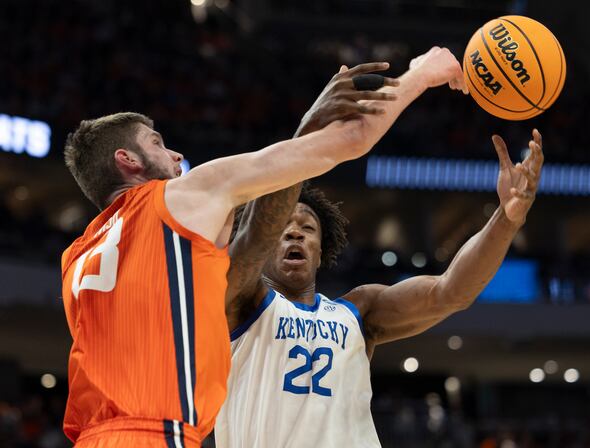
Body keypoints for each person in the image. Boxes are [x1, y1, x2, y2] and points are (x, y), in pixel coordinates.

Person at [60, 46, 465, 447]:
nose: (175, 153)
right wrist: (421, 74)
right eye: (156, 142)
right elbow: (352, 139)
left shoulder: (75, 258)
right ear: (127, 160)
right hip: (155, 435)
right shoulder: (181, 196)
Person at [215, 61, 545, 448]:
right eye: (283, 228)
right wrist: (308, 130)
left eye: (307, 229)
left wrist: (505, 220)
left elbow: (451, 292)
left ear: (322, 252)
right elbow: (257, 231)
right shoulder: (237, 299)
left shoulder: (359, 311)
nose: (294, 234)